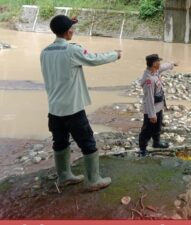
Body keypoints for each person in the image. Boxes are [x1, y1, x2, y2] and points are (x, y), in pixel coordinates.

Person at [40, 15, 122, 192]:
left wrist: (69, 21)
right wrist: (115, 54)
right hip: (73, 109)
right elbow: (94, 59)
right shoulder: (72, 50)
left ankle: (64, 176)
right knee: (88, 143)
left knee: (60, 142)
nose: (74, 31)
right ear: (69, 31)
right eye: (72, 28)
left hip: (54, 109)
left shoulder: (44, 52)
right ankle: (93, 180)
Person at [138, 54, 177, 156]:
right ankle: (142, 149)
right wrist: (152, 114)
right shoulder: (149, 79)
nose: (160, 63)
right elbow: (149, 98)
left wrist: (172, 64)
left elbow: (163, 67)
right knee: (147, 130)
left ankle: (156, 142)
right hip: (152, 108)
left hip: (159, 106)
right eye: (158, 61)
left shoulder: (155, 71)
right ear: (154, 64)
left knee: (158, 126)